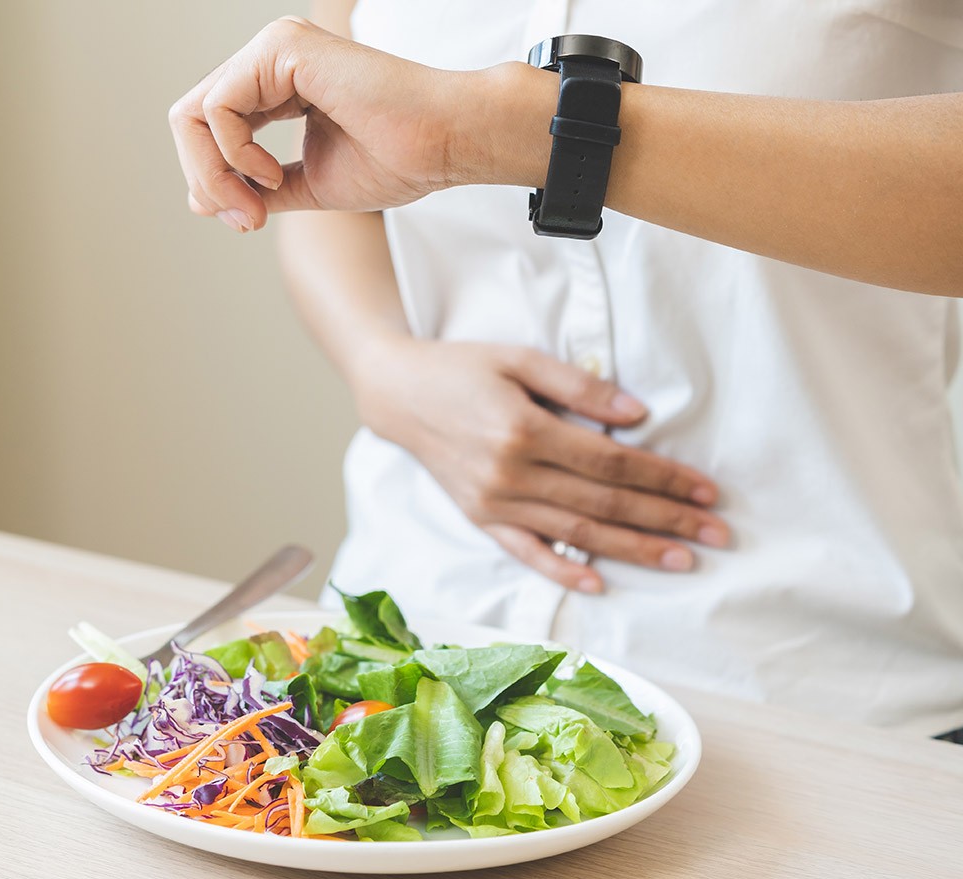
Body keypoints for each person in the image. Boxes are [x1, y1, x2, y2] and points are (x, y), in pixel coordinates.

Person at [169, 2, 963, 737]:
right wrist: (384, 368)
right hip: (405, 655)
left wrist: (514, 131)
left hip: (815, 691)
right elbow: (326, 174)